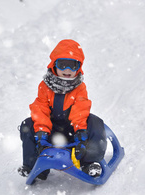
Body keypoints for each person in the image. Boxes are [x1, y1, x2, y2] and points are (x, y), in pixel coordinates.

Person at [18, 39, 107, 180]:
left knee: (96, 122)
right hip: (51, 132)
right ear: (54, 64)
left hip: (72, 131)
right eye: (63, 64)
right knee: (27, 125)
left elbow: (80, 110)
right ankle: (34, 165)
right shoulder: (44, 86)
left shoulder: (79, 88)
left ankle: (89, 163)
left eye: (73, 66)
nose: (67, 70)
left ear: (79, 67)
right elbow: (40, 109)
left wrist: (81, 133)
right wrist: (41, 134)